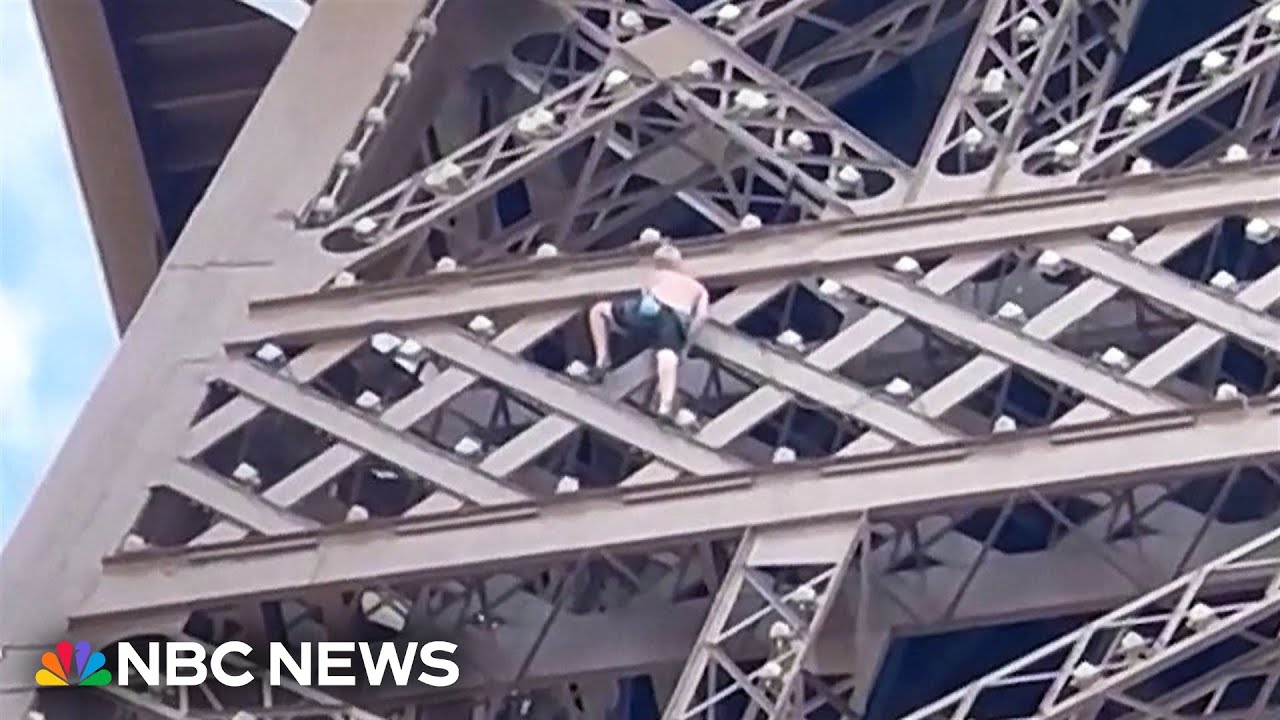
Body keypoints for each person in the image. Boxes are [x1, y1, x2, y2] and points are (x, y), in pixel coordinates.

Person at [585, 243, 710, 422]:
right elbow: (702, 317)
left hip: (648, 311)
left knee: (599, 310)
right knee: (668, 356)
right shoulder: (698, 288)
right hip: (673, 318)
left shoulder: (655, 275)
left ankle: (602, 361)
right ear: (679, 264)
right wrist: (686, 346)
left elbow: (646, 295)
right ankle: (664, 408)